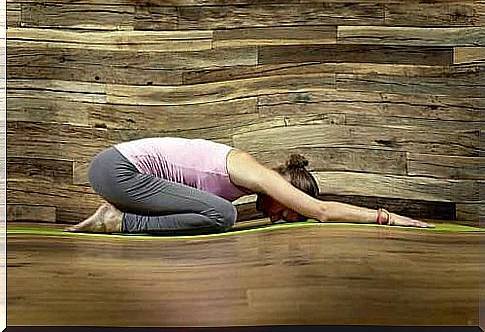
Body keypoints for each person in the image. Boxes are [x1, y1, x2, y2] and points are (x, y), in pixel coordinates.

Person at [65, 137, 434, 235]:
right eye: (292, 210)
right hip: (117, 170)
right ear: (288, 190)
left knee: (219, 213)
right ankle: (118, 222)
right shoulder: (257, 173)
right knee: (223, 215)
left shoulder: (244, 181)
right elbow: (323, 212)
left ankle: (120, 218)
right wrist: (390, 218)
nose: (286, 218)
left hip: (118, 172)